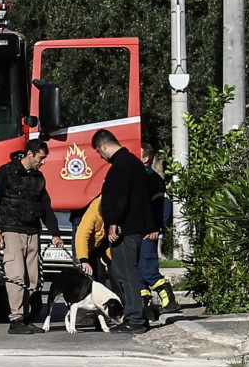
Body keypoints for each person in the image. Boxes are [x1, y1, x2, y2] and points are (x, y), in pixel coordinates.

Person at [0, 139, 64, 334]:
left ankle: (27, 317)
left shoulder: (38, 178)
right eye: (41, 158)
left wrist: (55, 233)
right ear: (30, 154)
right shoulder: (6, 172)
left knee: (33, 279)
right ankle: (16, 319)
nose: (43, 162)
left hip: (32, 232)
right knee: (16, 275)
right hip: (11, 230)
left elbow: (46, 208)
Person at [91, 129, 158, 333]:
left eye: (98, 151)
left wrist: (113, 223)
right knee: (125, 273)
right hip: (134, 227)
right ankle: (135, 315)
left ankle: (135, 319)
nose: (100, 156)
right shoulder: (133, 163)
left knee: (125, 274)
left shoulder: (121, 165)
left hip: (125, 229)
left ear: (104, 146)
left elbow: (119, 198)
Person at [137, 143, 180, 314]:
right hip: (139, 230)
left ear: (145, 158)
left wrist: (157, 228)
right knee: (138, 271)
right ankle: (145, 305)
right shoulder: (139, 177)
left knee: (147, 269)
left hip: (150, 231)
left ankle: (169, 300)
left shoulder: (153, 179)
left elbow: (164, 205)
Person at [75, 195, 110, 286]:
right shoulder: (95, 208)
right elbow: (82, 234)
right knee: (84, 275)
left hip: (103, 244)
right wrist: (84, 259)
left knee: (101, 276)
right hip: (89, 247)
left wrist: (108, 255)